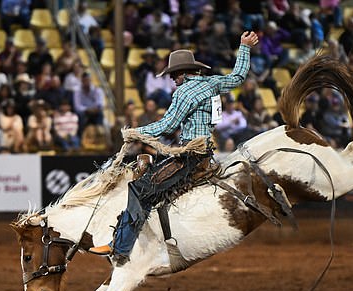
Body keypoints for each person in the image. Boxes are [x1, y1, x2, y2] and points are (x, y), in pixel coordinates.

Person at [88, 31, 259, 266]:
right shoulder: (212, 84)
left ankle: (121, 247)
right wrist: (244, 47)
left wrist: (136, 132)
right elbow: (239, 76)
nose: (172, 80)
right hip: (205, 153)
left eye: (173, 75)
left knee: (139, 188)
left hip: (190, 157)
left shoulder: (184, 92)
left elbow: (167, 125)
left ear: (181, 73)